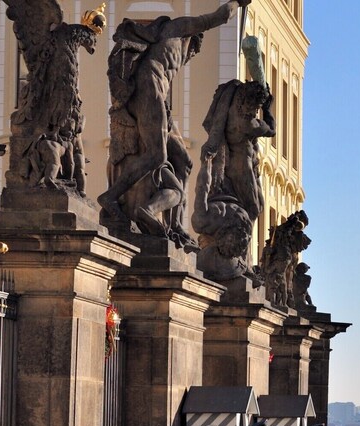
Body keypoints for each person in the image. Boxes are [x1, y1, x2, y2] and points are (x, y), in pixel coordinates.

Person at [100, 0, 252, 245]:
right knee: (157, 156)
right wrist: (237, 3)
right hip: (148, 89)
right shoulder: (178, 28)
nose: (190, 54)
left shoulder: (174, 48)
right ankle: (112, 197)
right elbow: (219, 16)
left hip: (160, 98)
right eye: (192, 48)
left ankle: (175, 225)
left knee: (184, 161)